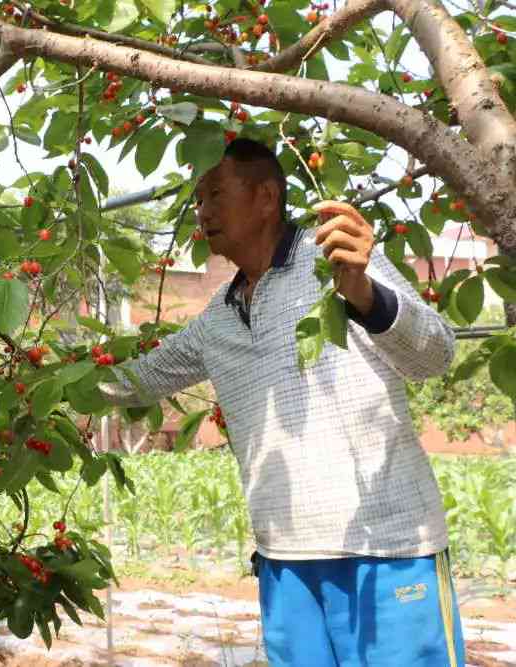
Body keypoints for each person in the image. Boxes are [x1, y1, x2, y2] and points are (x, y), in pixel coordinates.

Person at [100, 139, 465, 666]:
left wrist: (363, 293)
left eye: (215, 194)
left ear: (267, 197)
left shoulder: (336, 263)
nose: (202, 212)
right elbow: (137, 381)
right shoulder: (218, 321)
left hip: (387, 551)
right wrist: (40, 378)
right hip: (285, 560)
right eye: (198, 199)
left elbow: (434, 354)